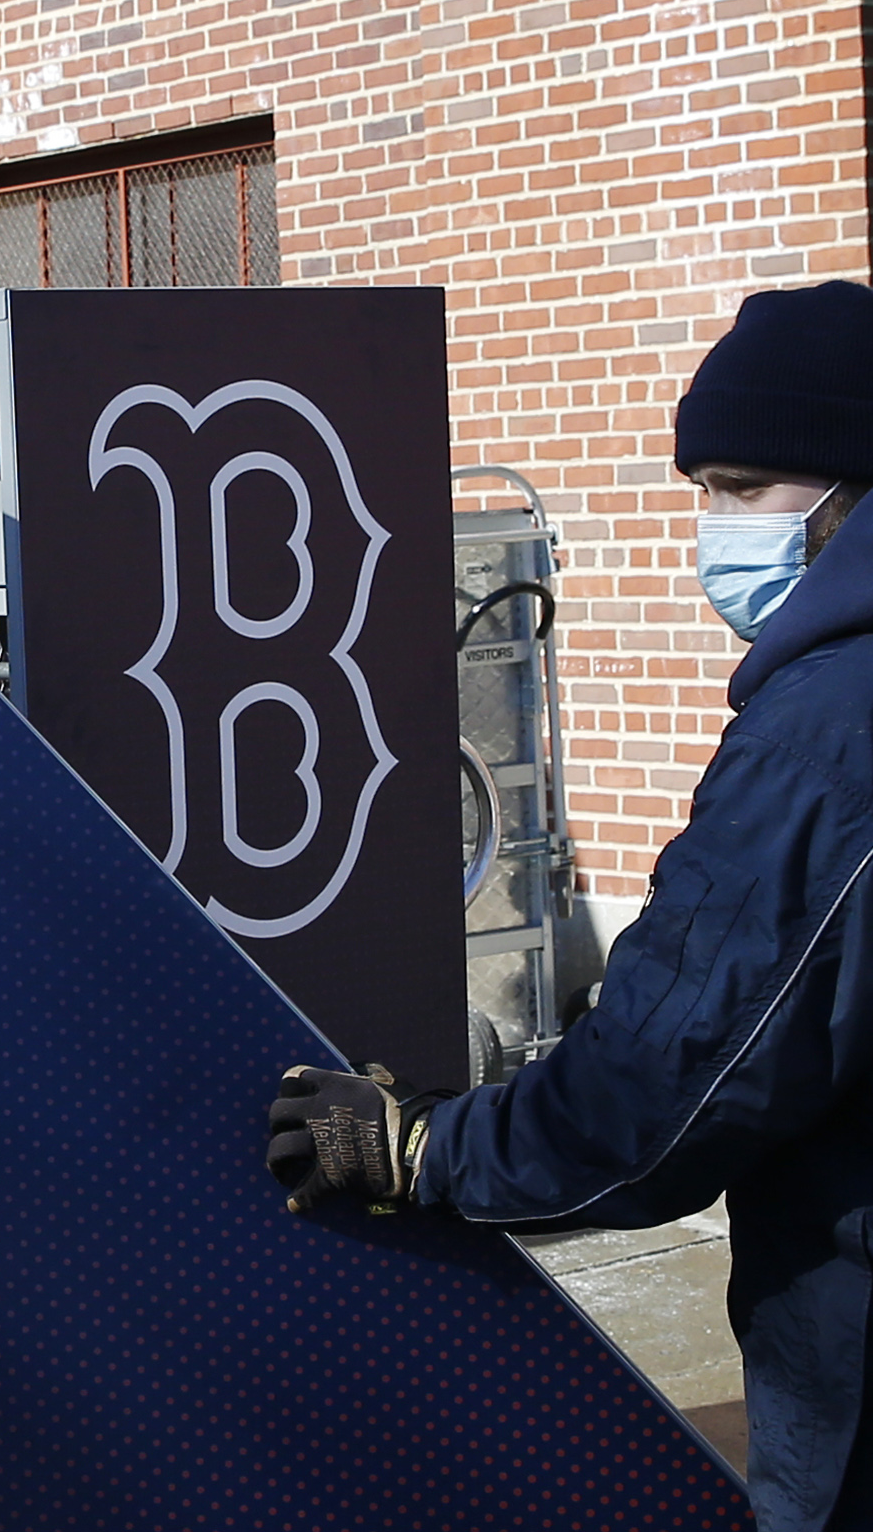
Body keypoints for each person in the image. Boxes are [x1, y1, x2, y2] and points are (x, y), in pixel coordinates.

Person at [266, 280, 873, 1532]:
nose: (714, 528)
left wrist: (427, 1147)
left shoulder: (826, 736)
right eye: (700, 488)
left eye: (747, 486)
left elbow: (665, 1087)